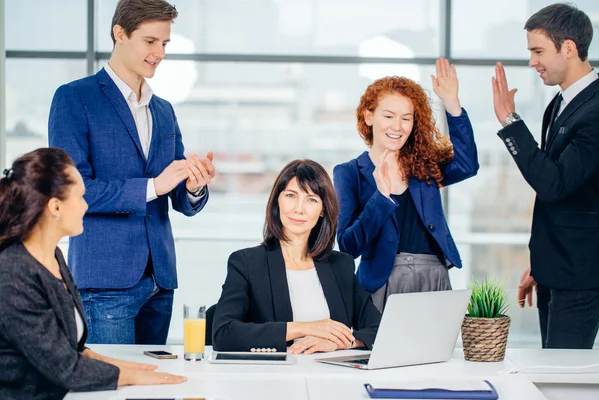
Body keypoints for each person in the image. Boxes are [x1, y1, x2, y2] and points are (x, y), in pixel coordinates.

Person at [48, 0, 215, 345]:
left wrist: (195, 187)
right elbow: (74, 191)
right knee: (113, 388)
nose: (159, 53)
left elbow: (179, 199)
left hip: (160, 279)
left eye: (165, 44)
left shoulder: (164, 110)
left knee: (152, 390)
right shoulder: (74, 98)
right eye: (150, 41)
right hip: (106, 282)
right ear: (119, 34)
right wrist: (154, 185)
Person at [0, 148, 186, 400]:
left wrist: (133, 368)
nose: (87, 206)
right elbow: (65, 368)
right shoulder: (13, 273)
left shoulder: (53, 256)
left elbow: (73, 351)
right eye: (81, 197)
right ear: (55, 206)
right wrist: (135, 377)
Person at [492, 4, 599, 349]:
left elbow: (553, 183)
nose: (532, 62)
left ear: (568, 48)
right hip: (559, 271)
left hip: (581, 276)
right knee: (553, 371)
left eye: (538, 51)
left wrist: (510, 122)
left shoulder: (596, 110)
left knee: (563, 379)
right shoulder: (560, 103)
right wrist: (542, 265)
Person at [334, 58, 479, 312]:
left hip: (433, 276)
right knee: (380, 351)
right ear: (369, 116)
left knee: (436, 351)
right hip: (380, 281)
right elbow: (348, 246)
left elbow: (467, 164)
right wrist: (381, 196)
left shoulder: (425, 166)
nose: (397, 127)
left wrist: (451, 103)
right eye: (388, 116)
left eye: (406, 118)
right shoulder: (349, 173)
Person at [212, 160, 381, 354]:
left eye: (311, 200)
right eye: (291, 196)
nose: (299, 209)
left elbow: (378, 330)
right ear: (278, 200)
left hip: (331, 375)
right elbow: (224, 334)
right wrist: (306, 327)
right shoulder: (246, 263)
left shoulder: (340, 265)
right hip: (274, 376)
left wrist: (344, 343)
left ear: (323, 210)